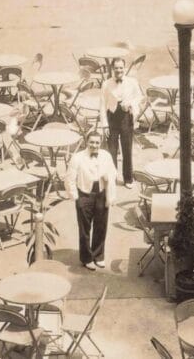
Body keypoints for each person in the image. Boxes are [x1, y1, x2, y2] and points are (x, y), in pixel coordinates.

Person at [66, 132, 117, 271]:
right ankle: (86, 258)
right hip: (84, 195)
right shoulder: (77, 158)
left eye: (97, 143)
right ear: (86, 142)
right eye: (92, 142)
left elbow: (113, 172)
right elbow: (70, 179)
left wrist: (108, 178)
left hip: (101, 193)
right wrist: (76, 197)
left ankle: (99, 256)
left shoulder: (106, 156)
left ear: (100, 143)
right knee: (84, 229)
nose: (94, 145)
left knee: (101, 226)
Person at [99, 58, 143, 188]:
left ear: (124, 68)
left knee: (127, 149)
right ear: (112, 69)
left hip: (126, 118)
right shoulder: (106, 84)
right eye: (116, 68)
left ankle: (128, 179)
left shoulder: (132, 82)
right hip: (111, 117)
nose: (118, 70)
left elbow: (139, 97)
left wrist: (130, 104)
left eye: (121, 67)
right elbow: (102, 105)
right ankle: (112, 178)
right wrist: (104, 125)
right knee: (111, 151)